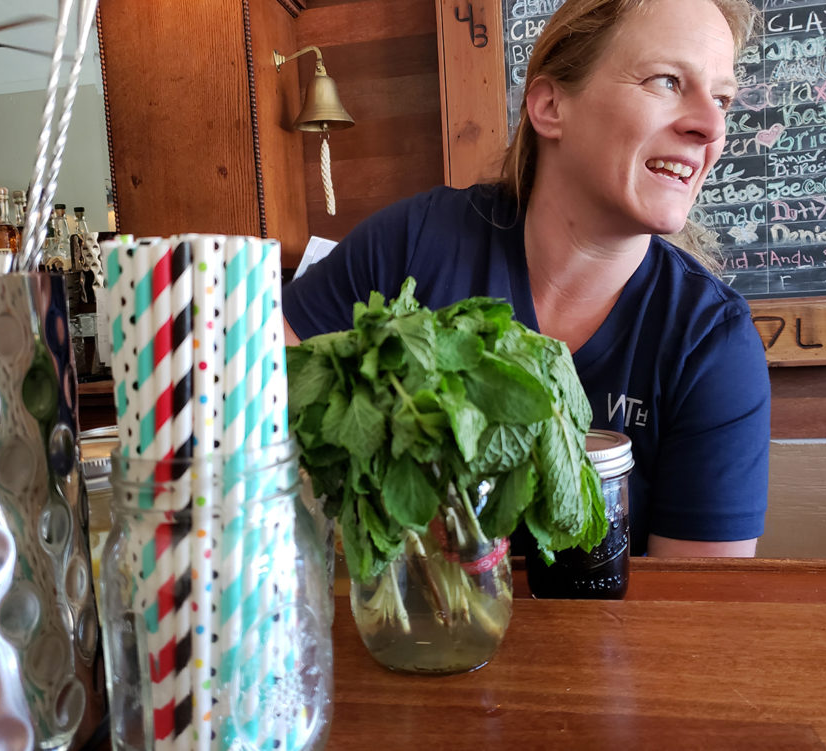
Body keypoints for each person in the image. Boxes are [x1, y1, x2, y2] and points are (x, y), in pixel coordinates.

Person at [281, 0, 769, 558]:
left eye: (723, 98)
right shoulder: (413, 244)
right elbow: (253, 397)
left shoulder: (711, 340)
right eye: (666, 81)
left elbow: (696, 619)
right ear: (551, 105)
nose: (711, 127)